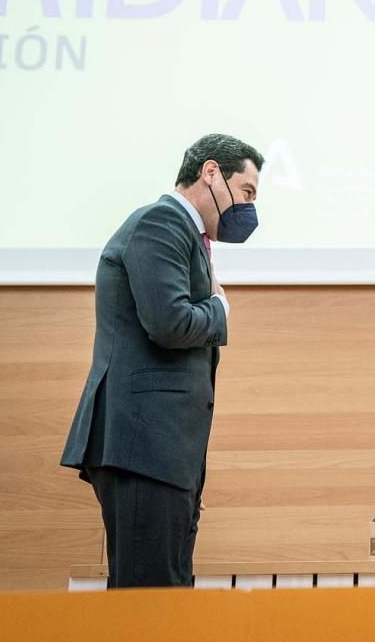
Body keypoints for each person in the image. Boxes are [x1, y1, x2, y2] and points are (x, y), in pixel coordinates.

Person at [60, 134, 264, 588]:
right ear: (211, 173)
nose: (249, 209)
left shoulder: (184, 233)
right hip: (143, 449)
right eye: (246, 192)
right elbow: (169, 324)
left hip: (161, 456)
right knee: (148, 604)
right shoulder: (162, 222)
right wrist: (220, 309)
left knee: (167, 595)